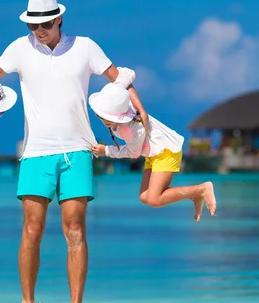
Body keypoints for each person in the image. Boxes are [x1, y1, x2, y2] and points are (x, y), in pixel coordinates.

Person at [0, 0, 148, 303]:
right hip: (36, 151)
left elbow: (120, 79)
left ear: (59, 20)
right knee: (31, 228)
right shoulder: (18, 48)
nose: (38, 29)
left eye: (44, 23)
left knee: (75, 228)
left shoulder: (86, 47)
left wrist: (142, 114)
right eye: (32, 23)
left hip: (78, 150)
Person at [89, 83, 217, 221]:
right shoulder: (121, 101)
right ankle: (193, 194)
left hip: (166, 151)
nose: (102, 118)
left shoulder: (129, 129)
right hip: (152, 153)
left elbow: (133, 153)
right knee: (145, 197)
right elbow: (126, 77)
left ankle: (202, 189)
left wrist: (106, 150)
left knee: (154, 200)